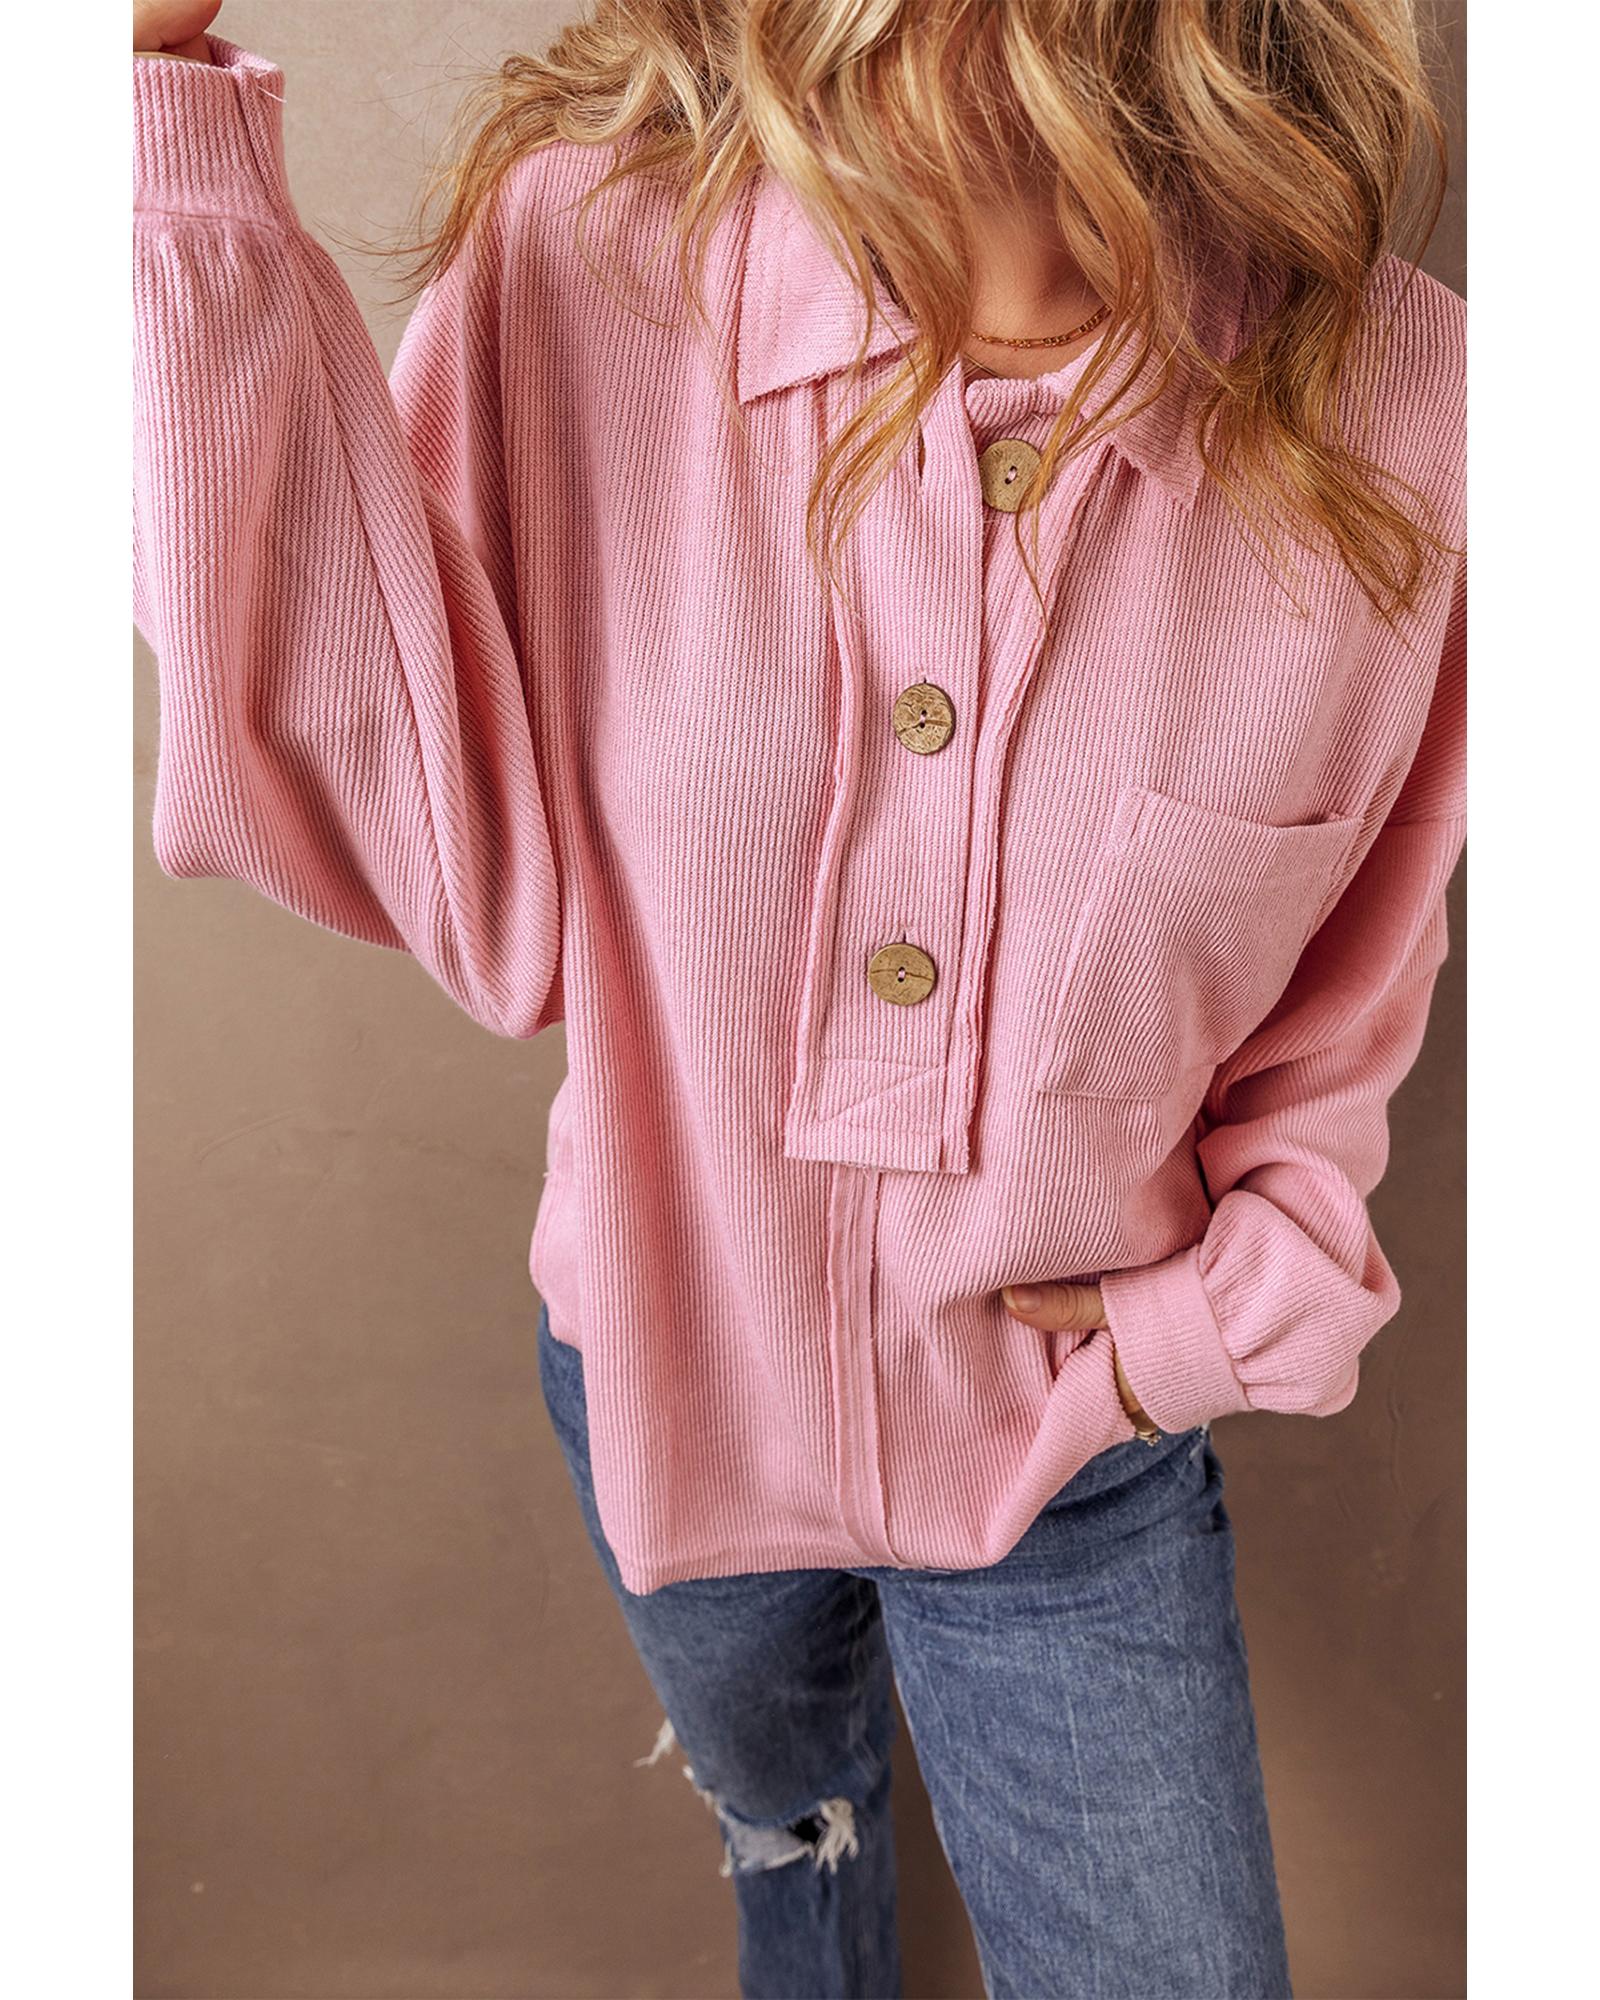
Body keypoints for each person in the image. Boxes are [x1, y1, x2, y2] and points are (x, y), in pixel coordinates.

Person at [132, 4, 1464, 1995]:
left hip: (1062, 1460)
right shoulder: (587, 260)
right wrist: (155, 134)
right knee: (792, 1824)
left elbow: (1357, 965)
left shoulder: (1408, 413)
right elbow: (436, 846)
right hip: (661, 1379)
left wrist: (1203, 1326)